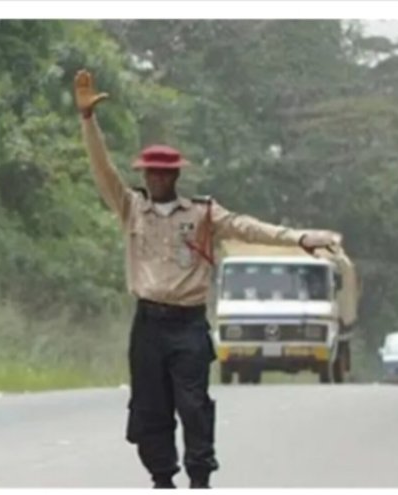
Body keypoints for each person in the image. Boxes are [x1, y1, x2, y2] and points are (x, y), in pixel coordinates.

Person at [73, 69, 335, 489]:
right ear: (143, 176)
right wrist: (87, 121)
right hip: (148, 324)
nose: (156, 179)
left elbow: (249, 228)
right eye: (150, 173)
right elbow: (102, 170)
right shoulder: (131, 208)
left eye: (164, 173)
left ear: (176, 176)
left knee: (194, 405)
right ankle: (162, 478)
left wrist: (299, 238)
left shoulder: (203, 214)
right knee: (150, 408)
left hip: (188, 326)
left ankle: (200, 478)